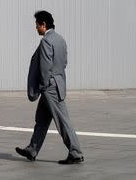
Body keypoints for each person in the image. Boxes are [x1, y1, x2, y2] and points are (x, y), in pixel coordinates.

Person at [15, 11, 84, 164]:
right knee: (41, 120)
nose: (36, 28)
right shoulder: (60, 40)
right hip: (58, 83)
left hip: (49, 87)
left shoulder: (46, 41)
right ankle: (32, 149)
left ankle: (75, 152)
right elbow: (64, 63)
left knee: (62, 121)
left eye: (37, 25)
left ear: (43, 24)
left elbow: (45, 67)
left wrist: (43, 85)